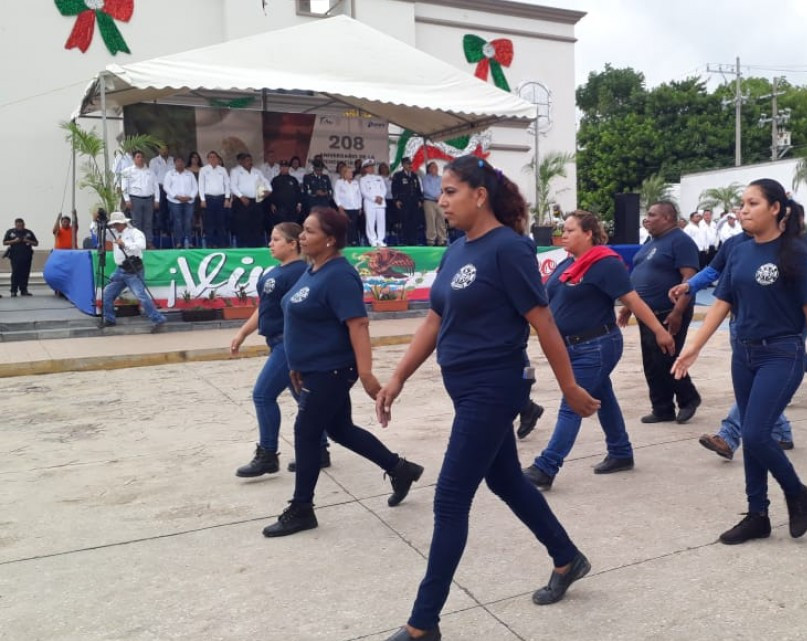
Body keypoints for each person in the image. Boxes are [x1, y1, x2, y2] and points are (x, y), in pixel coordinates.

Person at [376, 156, 599, 641]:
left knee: (451, 498)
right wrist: (397, 377)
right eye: (442, 192)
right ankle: (567, 559)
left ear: (480, 195)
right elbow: (435, 320)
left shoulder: (509, 249)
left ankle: (422, 624)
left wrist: (568, 387)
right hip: (466, 387)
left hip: (495, 385)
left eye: (451, 191)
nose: (442, 200)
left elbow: (542, 320)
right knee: (506, 481)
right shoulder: (457, 250)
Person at [672, 178, 807, 545]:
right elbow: (723, 302)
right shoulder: (738, 250)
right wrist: (694, 346)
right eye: (742, 204)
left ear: (775, 208)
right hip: (744, 353)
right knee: (753, 438)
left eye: (752, 204)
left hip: (782, 353)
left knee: (754, 433)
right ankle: (757, 515)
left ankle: (796, 491)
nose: (742, 210)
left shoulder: (795, 252)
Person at [262, 207, 424, 538]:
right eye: (302, 231)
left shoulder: (340, 275)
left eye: (309, 232)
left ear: (331, 239)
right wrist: (295, 363)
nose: (302, 237)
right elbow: (299, 320)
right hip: (312, 368)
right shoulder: (313, 269)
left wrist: (365, 374)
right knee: (340, 429)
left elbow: (358, 324)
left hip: (332, 369)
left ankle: (302, 508)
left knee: (306, 431)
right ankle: (400, 469)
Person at [522, 211, 675, 490]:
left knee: (572, 403)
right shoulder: (567, 264)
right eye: (563, 231)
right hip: (571, 346)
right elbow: (545, 301)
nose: (563, 235)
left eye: (570, 230)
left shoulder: (604, 264)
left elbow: (633, 299)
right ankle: (620, 452)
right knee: (602, 394)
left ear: (588, 233)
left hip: (596, 345)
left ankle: (546, 467)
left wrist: (659, 330)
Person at [230, 223, 314, 477]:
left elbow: (302, 309)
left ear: (293, 243)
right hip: (276, 342)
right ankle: (319, 449)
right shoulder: (276, 271)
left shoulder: (300, 272)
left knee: (263, 395)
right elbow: (264, 307)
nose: (271, 244)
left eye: (276, 239)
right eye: (271, 239)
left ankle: (268, 454)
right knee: (305, 400)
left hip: (288, 344)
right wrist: (243, 332)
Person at [625, 202, 702, 424]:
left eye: (652, 215)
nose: (646, 219)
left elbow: (689, 279)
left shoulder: (681, 241)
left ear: (668, 218)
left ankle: (689, 398)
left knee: (666, 358)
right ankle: (662, 408)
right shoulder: (651, 242)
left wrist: (678, 312)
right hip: (646, 313)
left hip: (668, 312)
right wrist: (629, 308)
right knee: (651, 362)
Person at [99, 212, 166, 330]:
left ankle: (158, 319)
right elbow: (100, 233)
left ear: (123, 223)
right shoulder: (114, 233)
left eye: (117, 224)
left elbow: (142, 245)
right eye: (114, 224)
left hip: (133, 270)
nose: (115, 227)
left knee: (141, 295)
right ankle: (109, 319)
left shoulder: (135, 233)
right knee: (107, 293)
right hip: (120, 269)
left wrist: (125, 244)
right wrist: (98, 222)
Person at [230, 153, 271, 248]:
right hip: (241, 201)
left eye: (251, 160)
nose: (250, 162)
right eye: (247, 160)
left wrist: (268, 191)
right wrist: (241, 197)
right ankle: (243, 247)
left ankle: (256, 247)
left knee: (256, 224)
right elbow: (233, 186)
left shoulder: (257, 171)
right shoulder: (235, 171)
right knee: (243, 225)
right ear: (242, 162)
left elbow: (265, 182)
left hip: (256, 201)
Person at [120, 151, 160, 246]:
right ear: (134, 159)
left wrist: (157, 200)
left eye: (142, 157)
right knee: (137, 222)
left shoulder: (150, 172)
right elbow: (124, 186)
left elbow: (156, 186)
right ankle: (138, 242)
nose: (140, 159)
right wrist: (127, 199)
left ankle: (149, 242)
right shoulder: (127, 171)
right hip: (135, 199)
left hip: (149, 199)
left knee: (148, 222)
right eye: (138, 157)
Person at [198, 151, 231, 248]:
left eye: (214, 157)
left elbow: (227, 184)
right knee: (209, 223)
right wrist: (202, 199)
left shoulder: (223, 170)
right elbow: (201, 185)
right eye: (211, 157)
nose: (213, 159)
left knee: (221, 223)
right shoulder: (203, 170)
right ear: (208, 159)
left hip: (221, 199)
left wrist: (227, 198)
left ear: (218, 159)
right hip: (208, 199)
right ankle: (210, 245)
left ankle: (223, 245)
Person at [163, 155, 197, 249]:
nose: (180, 163)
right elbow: (166, 187)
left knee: (188, 221)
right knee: (177, 221)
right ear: (174, 163)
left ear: (184, 163)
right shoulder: (170, 174)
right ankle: (178, 242)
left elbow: (195, 187)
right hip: (174, 201)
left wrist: (190, 197)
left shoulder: (189, 174)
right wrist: (176, 196)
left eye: (181, 161)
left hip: (188, 201)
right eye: (177, 161)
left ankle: (189, 242)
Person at [392, 157, 424, 246]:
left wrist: (420, 200)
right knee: (405, 221)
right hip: (404, 202)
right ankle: (405, 241)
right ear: (403, 165)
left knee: (414, 221)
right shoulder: (398, 175)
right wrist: (396, 200)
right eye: (408, 164)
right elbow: (394, 189)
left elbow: (418, 189)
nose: (410, 165)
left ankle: (414, 240)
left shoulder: (414, 175)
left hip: (414, 202)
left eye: (410, 163)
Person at [3, 218, 38, 296]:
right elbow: (4, 242)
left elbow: (36, 243)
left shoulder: (28, 232)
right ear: (15, 225)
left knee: (25, 273)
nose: (20, 226)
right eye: (18, 225)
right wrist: (14, 241)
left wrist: (27, 241)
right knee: (15, 273)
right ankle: (13, 290)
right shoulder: (10, 232)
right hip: (15, 256)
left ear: (24, 224)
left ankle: (24, 290)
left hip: (27, 256)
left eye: (21, 225)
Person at [358, 159, 387, 248]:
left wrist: (381, 197)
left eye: (372, 166)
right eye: (369, 167)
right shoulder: (363, 179)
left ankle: (380, 240)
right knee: (370, 222)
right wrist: (374, 198)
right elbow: (363, 192)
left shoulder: (379, 178)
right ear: (365, 169)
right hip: (370, 203)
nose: (371, 168)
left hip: (380, 202)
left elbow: (384, 189)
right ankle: (372, 240)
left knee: (381, 221)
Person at [334, 164, 363, 246]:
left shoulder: (355, 183)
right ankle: (344, 242)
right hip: (345, 208)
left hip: (355, 207)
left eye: (351, 172)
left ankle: (353, 242)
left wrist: (360, 206)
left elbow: (359, 195)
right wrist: (339, 206)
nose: (351, 174)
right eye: (349, 172)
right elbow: (336, 195)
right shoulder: (339, 182)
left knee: (353, 225)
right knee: (345, 226)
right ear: (344, 173)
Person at [269, 161, 304, 228]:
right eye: (282, 167)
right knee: (280, 226)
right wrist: (272, 204)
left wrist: (299, 204)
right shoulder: (275, 180)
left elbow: (298, 192)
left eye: (286, 167)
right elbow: (271, 193)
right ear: (280, 168)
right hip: (279, 207)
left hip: (292, 208)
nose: (284, 168)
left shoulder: (293, 180)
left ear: (288, 168)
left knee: (291, 226)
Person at [421, 162, 446, 246]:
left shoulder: (441, 178)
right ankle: (431, 240)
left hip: (439, 202)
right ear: (429, 169)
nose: (435, 168)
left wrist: (441, 196)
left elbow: (444, 189)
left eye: (436, 167)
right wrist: (436, 196)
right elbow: (426, 189)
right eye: (433, 167)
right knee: (430, 220)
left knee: (441, 219)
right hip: (429, 201)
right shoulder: (425, 178)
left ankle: (442, 239)